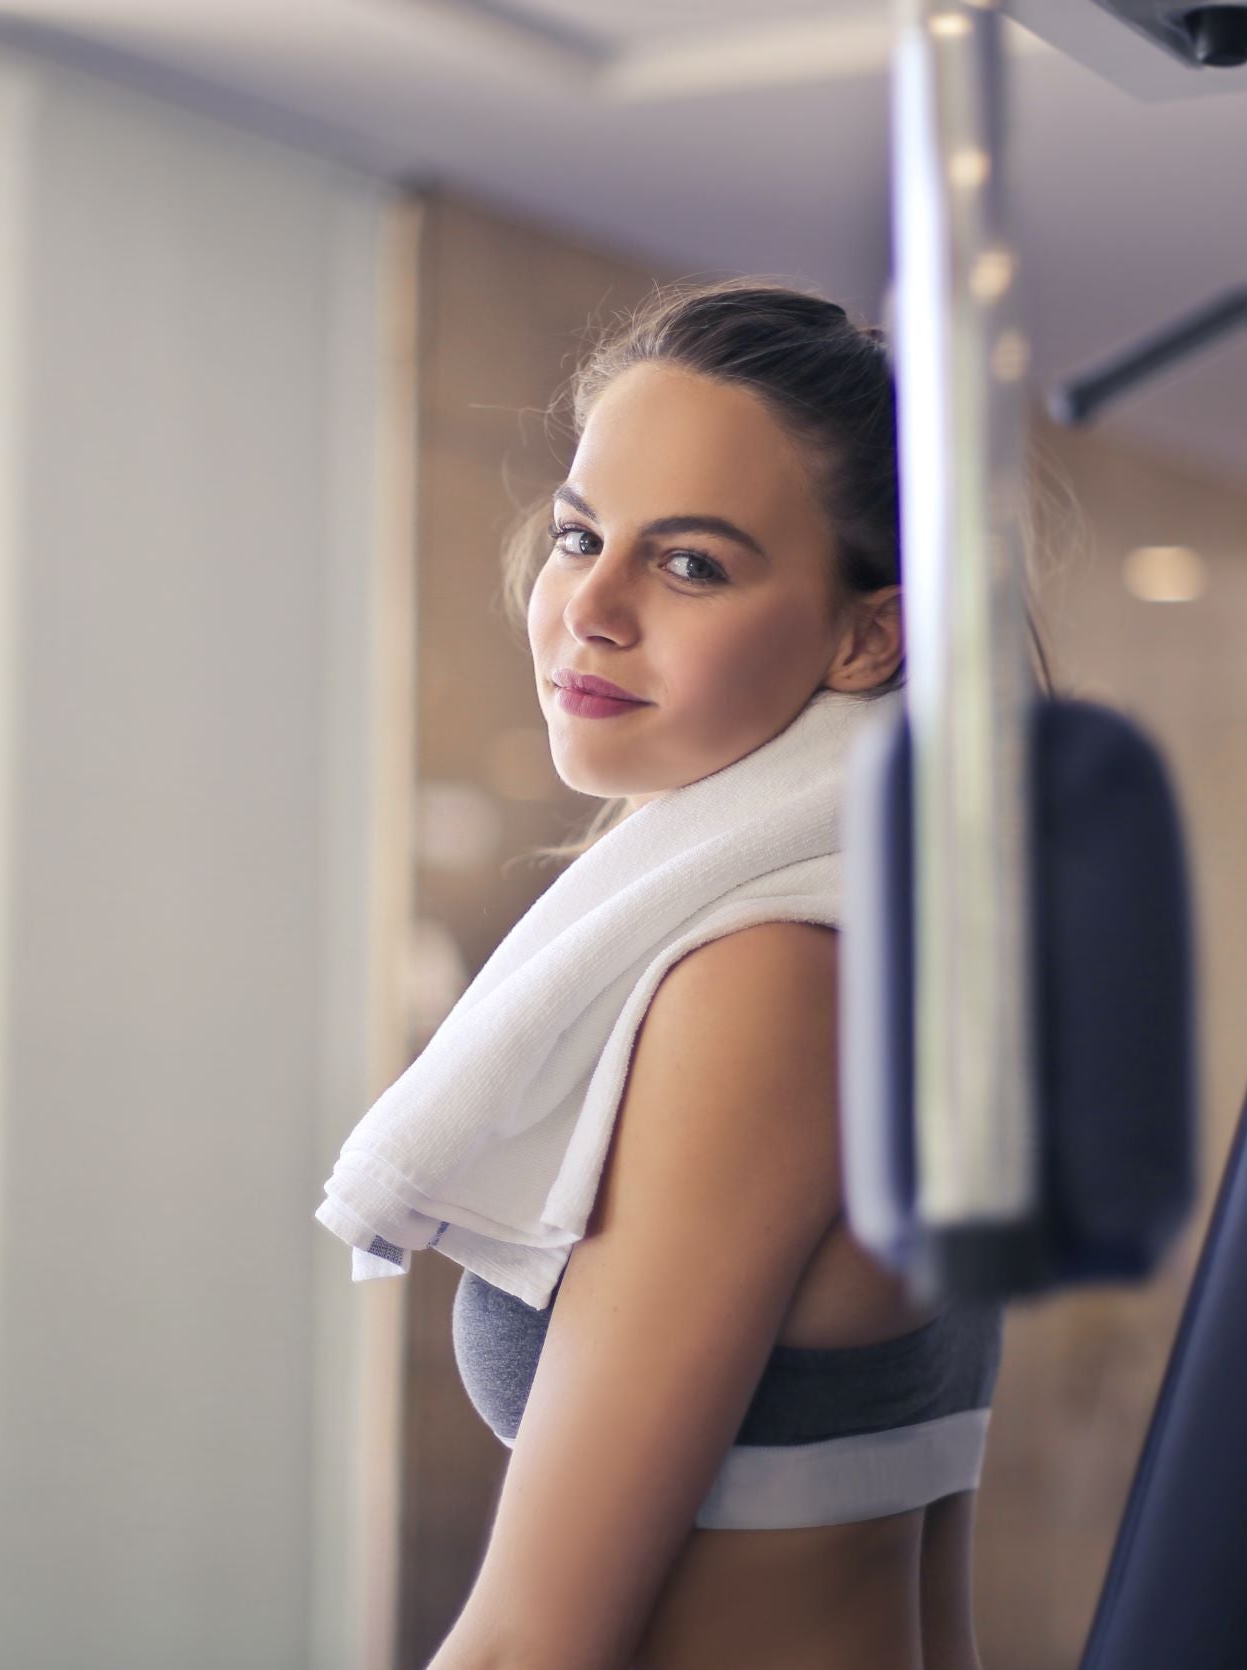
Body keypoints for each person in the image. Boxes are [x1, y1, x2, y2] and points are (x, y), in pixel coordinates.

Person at [421, 279, 1056, 1670]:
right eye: (581, 535)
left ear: (866, 636)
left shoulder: (770, 980)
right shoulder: (880, 934)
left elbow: (536, 1639)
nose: (588, 604)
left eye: (689, 562)